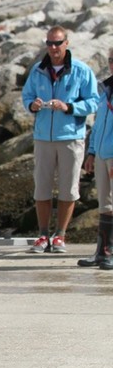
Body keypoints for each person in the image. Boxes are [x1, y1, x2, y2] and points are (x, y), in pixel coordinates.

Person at [22, 27, 99, 253]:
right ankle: (43, 235)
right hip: (43, 137)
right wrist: (32, 105)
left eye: (57, 43)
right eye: (50, 43)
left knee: (68, 189)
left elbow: (94, 101)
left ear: (67, 42)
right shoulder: (38, 70)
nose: (53, 48)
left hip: (71, 138)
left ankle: (60, 236)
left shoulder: (82, 71)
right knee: (42, 188)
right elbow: (26, 95)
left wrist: (69, 107)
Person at [79, 48, 113, 269]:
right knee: (105, 204)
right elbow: (98, 123)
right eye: (111, 60)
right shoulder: (105, 88)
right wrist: (91, 152)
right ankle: (102, 251)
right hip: (101, 154)